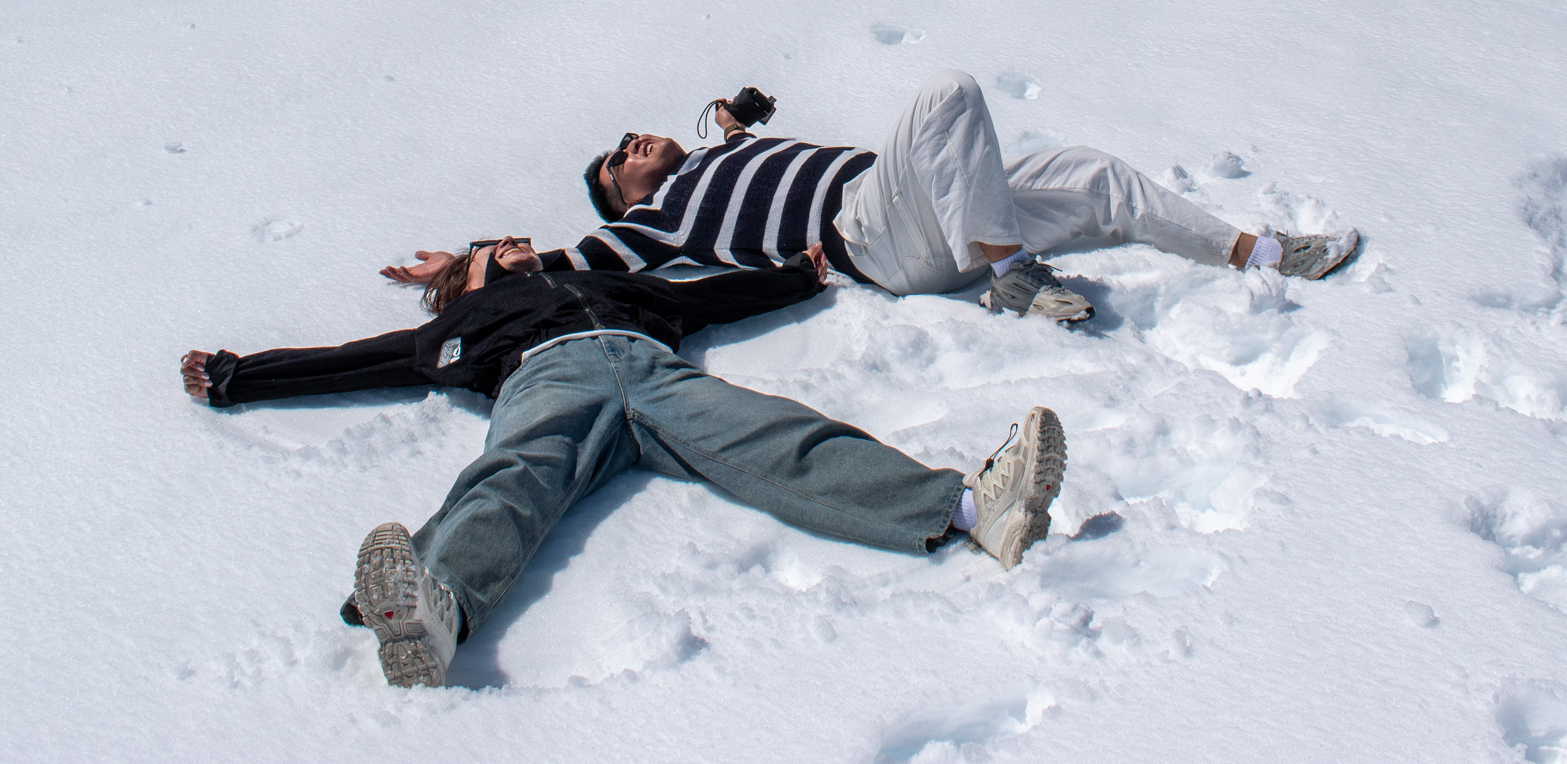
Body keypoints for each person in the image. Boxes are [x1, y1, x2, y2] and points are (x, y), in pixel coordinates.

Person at [180, 235, 1067, 689]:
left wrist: (797, 279)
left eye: (524, 240)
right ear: (468, 279)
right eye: (501, 247)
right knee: (515, 477)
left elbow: (710, 296)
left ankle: (965, 509)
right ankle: (436, 610)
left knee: (774, 434)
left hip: (652, 367)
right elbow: (347, 359)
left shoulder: (611, 286)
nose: (523, 245)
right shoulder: (450, 326)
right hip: (545, 383)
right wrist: (235, 377)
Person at [512, 69, 1361, 324]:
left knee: (1093, 171)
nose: (632, 145)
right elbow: (572, 262)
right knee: (949, 97)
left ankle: (1266, 253)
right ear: (625, 199)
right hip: (869, 238)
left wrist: (737, 116)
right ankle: (1014, 272)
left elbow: (735, 128)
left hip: (932, 211)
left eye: (628, 136)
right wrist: (479, 264)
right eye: (618, 161)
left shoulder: (714, 154)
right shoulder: (664, 218)